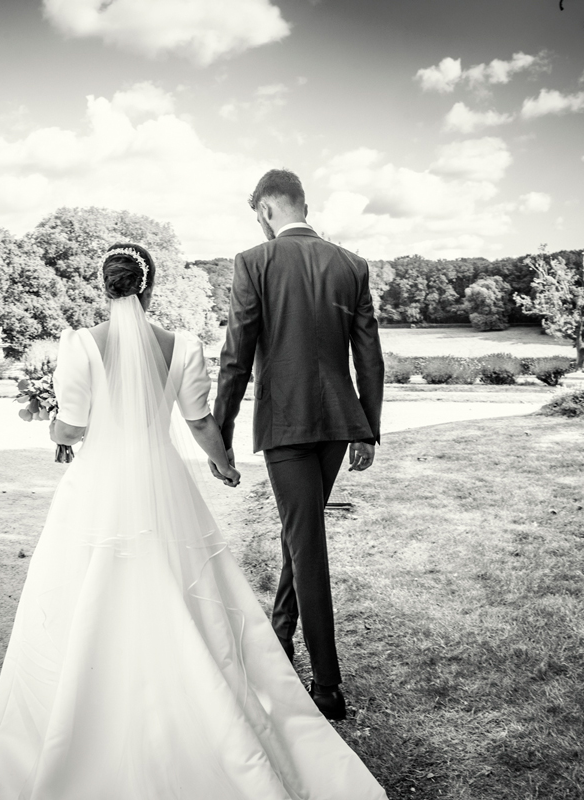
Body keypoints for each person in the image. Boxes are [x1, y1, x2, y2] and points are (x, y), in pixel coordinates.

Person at [0, 243, 387, 800]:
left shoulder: (79, 345)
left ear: (106, 287)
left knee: (85, 587)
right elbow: (199, 421)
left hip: (98, 488)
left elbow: (71, 430)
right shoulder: (180, 346)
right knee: (181, 579)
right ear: (149, 288)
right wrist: (223, 463)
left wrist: (49, 423)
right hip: (163, 484)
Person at [214, 169, 385, 722]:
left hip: (285, 425)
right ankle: (280, 634)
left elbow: (236, 355)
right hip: (338, 423)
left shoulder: (253, 262)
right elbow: (370, 357)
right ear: (302, 205)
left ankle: (329, 686)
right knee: (301, 529)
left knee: (306, 545)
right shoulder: (351, 265)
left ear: (265, 210)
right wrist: (366, 426)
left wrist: (221, 434)